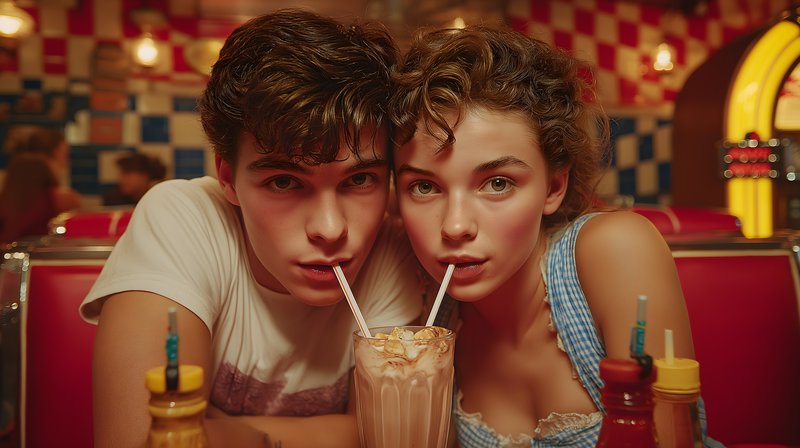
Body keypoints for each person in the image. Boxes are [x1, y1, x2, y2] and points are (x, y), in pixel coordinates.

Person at [80, 9, 422, 448]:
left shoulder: (389, 248)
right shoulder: (185, 219)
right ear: (227, 177)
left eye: (359, 180)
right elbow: (138, 440)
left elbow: (389, 435)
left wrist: (220, 431)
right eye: (284, 181)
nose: (330, 229)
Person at [389, 25, 716, 447]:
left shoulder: (613, 249)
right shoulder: (418, 305)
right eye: (425, 187)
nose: (455, 226)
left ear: (554, 186)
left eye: (498, 183)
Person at [0, 127, 81, 244]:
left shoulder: (14, 176)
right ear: (55, 153)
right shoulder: (61, 198)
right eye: (65, 155)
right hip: (34, 254)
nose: (66, 163)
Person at [102, 152, 167, 206]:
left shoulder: (161, 197)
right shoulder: (113, 198)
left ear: (144, 176)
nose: (121, 179)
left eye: (127, 174)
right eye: (121, 174)